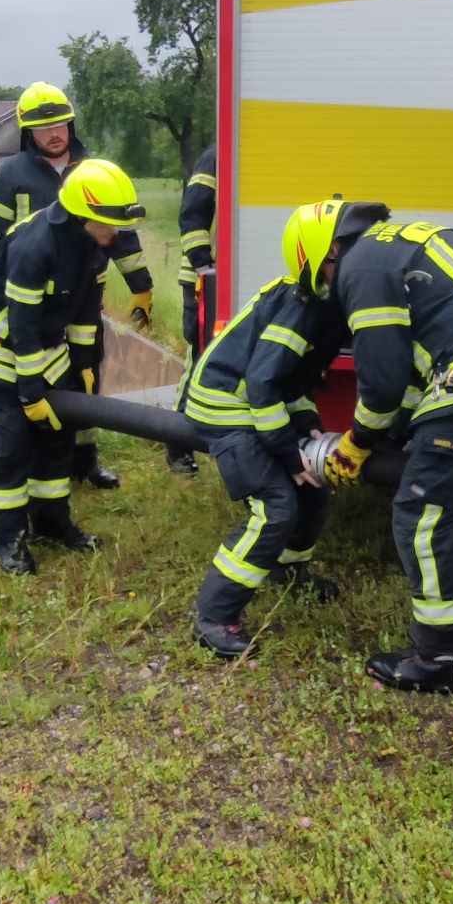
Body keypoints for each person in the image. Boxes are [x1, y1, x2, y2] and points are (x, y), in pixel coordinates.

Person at [282, 197, 453, 695]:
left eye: (324, 279)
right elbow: (409, 371)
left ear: (327, 251)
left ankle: (440, 655)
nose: (332, 291)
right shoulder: (402, 241)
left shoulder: (360, 266)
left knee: (422, 513)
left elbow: (380, 379)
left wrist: (356, 443)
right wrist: (397, 427)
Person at [0, 158, 144, 575]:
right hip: (0, 353)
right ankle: (8, 539)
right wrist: (29, 392)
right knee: (11, 445)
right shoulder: (36, 245)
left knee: (57, 438)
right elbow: (23, 326)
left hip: (47, 352)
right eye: (108, 223)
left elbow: (84, 307)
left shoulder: (95, 245)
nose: (115, 232)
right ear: (82, 216)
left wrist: (82, 365)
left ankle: (52, 523)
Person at [0, 82, 153, 490]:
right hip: (28, 298)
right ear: (27, 132)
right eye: (44, 128)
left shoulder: (93, 169)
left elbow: (122, 234)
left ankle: (85, 460)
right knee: (31, 376)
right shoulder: (10, 175)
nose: (55, 134)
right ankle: (36, 458)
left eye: (61, 125)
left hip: (85, 297)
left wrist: (141, 286)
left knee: (85, 376)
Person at [179, 273, 344, 657]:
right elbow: (262, 384)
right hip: (224, 404)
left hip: (259, 403)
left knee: (313, 488)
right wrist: (288, 451)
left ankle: (287, 569)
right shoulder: (303, 305)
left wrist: (307, 423)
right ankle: (213, 616)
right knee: (276, 507)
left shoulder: (330, 305)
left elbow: (292, 382)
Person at [165, 143, 219, 478]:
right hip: (205, 284)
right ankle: (178, 447)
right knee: (201, 362)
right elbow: (192, 215)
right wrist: (206, 267)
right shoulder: (215, 156)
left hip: (231, 281)